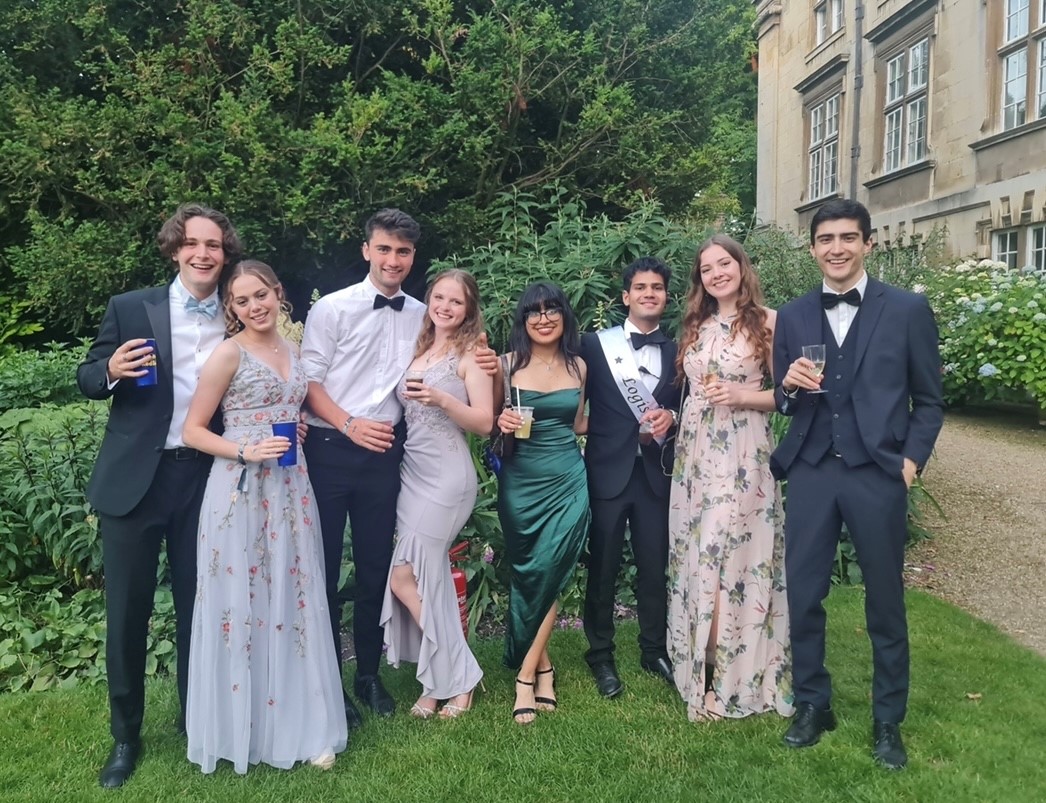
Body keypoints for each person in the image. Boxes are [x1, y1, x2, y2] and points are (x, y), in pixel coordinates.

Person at [300, 209, 496, 724]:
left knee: (375, 570)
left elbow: (467, 363)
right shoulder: (332, 310)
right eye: (383, 249)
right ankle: (327, 683)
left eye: (403, 252)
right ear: (367, 250)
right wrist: (346, 425)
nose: (392, 259)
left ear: (413, 258)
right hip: (330, 451)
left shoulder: (423, 314)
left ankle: (369, 676)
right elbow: (308, 384)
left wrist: (491, 366)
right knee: (322, 571)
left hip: (390, 457)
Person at [772, 199, 944, 769]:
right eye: (826, 239)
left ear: (869, 243)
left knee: (885, 601)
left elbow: (930, 402)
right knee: (804, 593)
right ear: (813, 248)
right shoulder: (794, 315)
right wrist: (791, 386)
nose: (837, 248)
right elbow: (784, 397)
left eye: (848, 237)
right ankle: (813, 704)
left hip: (877, 472)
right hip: (814, 469)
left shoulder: (907, 310)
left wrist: (911, 461)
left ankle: (887, 719)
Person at [77, 204, 242, 788]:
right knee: (128, 613)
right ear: (175, 248)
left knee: (205, 607)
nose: (204, 254)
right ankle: (126, 736)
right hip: (134, 484)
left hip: (206, 481)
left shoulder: (236, 313)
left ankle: (197, 721)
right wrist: (112, 370)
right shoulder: (132, 307)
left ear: (225, 254)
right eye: (194, 243)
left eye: (215, 245)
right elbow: (89, 375)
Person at [182, 260, 348, 773]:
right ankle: (242, 731)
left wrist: (295, 428)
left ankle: (301, 723)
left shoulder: (292, 351)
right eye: (242, 300)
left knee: (293, 598)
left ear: (279, 293)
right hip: (240, 493)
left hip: (291, 491)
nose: (255, 306)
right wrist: (245, 450)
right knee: (244, 603)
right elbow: (193, 431)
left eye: (262, 295)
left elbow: (289, 405)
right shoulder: (226, 355)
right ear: (231, 308)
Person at [667, 235, 793, 723]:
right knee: (699, 554)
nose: (717, 273)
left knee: (731, 556)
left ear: (742, 267)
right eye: (706, 268)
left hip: (743, 450)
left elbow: (787, 395)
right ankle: (700, 662)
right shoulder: (695, 325)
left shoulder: (769, 322)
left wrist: (741, 396)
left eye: (725, 263)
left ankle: (730, 677)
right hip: (696, 453)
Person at [379, 269, 493, 719]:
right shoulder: (420, 347)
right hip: (412, 474)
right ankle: (441, 682)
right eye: (439, 297)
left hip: (447, 477)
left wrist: (442, 399)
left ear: (468, 310)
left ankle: (459, 675)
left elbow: (484, 422)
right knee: (427, 579)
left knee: (404, 578)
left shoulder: (472, 355)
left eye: (456, 301)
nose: (445, 306)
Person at [581, 257, 680, 698]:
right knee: (602, 567)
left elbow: (689, 406)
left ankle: (653, 648)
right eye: (640, 288)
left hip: (656, 474)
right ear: (625, 296)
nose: (648, 294)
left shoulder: (680, 351)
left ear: (665, 295)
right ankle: (600, 654)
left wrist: (672, 416)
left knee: (654, 567)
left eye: (656, 287)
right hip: (607, 472)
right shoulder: (593, 346)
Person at [495, 282, 590, 724]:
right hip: (521, 481)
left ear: (564, 316)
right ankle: (545, 665)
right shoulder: (506, 365)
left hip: (568, 478)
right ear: (524, 321)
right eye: (534, 311)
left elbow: (580, 423)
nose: (544, 317)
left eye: (553, 309)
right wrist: (502, 421)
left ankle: (526, 677)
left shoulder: (580, 367)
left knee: (552, 570)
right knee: (531, 572)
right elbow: (491, 426)